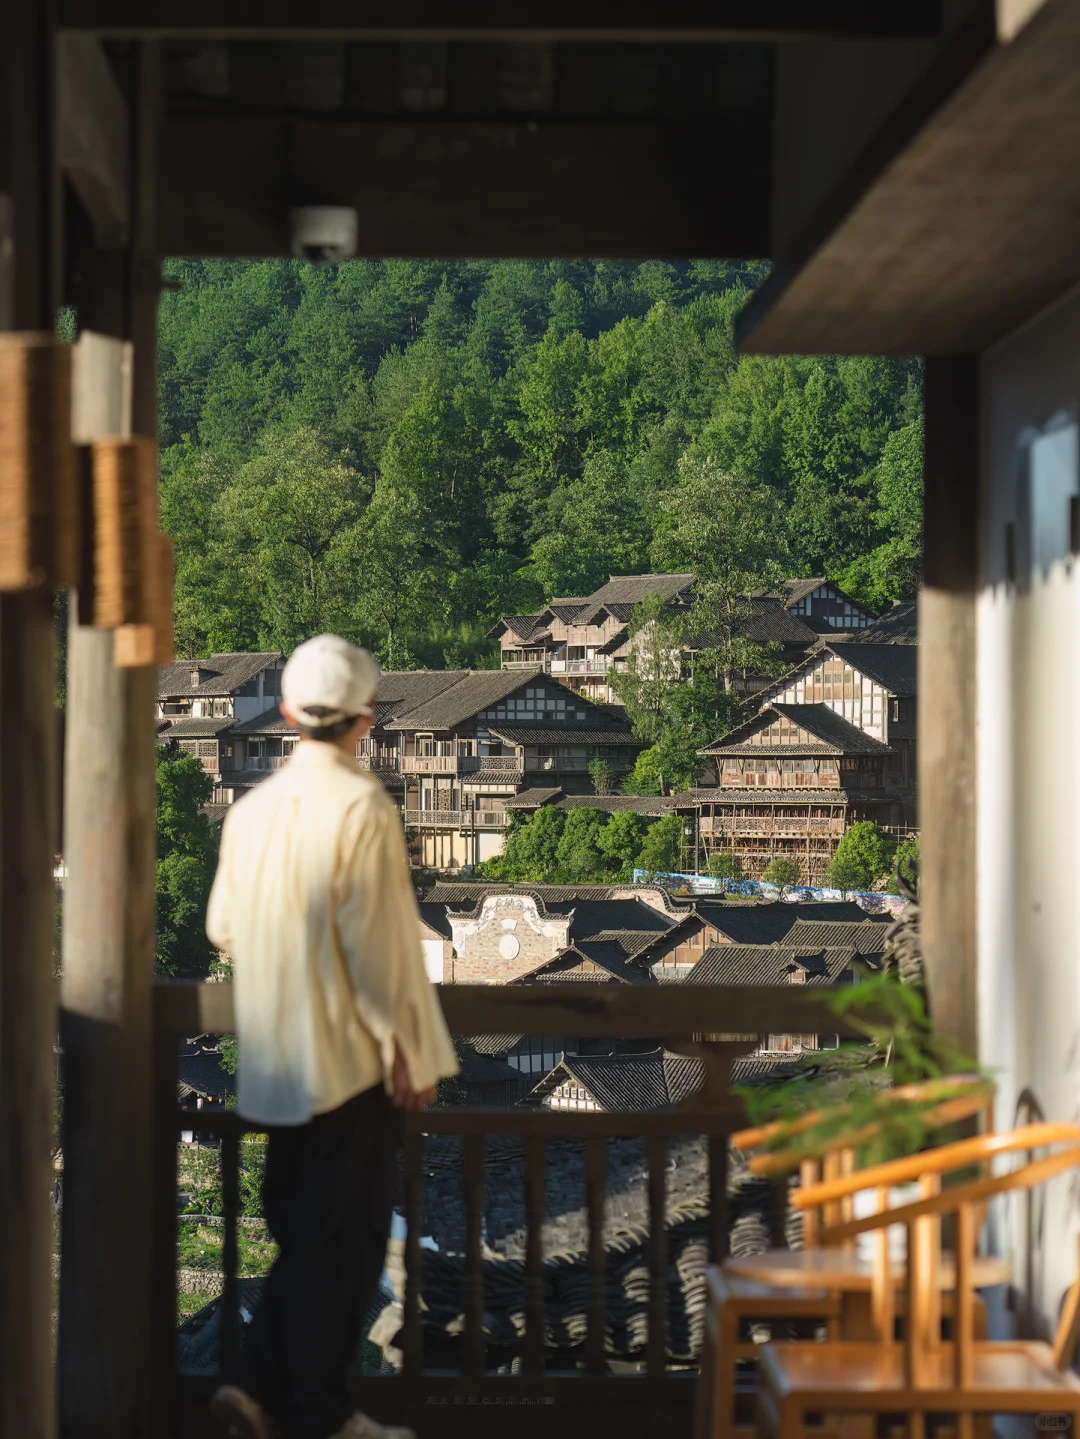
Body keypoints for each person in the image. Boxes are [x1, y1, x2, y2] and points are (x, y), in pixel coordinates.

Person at [206, 635, 458, 1439]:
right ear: (367, 719)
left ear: (284, 712)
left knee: (305, 1235)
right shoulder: (362, 806)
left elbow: (221, 927)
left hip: (273, 1057)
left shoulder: (250, 810)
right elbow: (381, 949)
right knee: (341, 1247)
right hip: (350, 1059)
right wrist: (413, 1052)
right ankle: (320, 1412)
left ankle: (253, 1389)